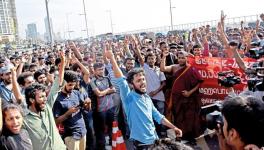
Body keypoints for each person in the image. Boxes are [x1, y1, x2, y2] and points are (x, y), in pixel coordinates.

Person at [104, 47, 182, 149]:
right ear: (132, 84)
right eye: (138, 81)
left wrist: (174, 127)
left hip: (154, 139)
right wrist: (112, 58)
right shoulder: (129, 98)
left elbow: (158, 116)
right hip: (142, 144)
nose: (143, 83)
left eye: (143, 79)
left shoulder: (146, 97)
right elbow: (121, 80)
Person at [23, 52, 66, 150]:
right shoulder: (24, 120)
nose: (45, 99)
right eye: (41, 97)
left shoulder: (47, 106)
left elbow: (58, 82)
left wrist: (63, 61)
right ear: (31, 100)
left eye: (44, 96)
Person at [160, 50, 203, 143]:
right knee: (178, 118)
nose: (181, 60)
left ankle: (190, 137)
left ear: (187, 58)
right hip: (177, 98)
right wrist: (163, 57)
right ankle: (179, 135)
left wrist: (189, 92)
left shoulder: (191, 69)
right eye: (179, 58)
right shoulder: (174, 67)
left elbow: (199, 82)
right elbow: (162, 69)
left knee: (190, 118)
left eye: (183, 58)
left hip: (189, 98)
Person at [53, 70, 91, 150]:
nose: (72, 87)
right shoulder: (57, 99)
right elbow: (55, 121)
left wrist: (88, 103)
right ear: (64, 83)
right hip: (71, 136)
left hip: (82, 131)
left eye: (73, 85)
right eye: (70, 85)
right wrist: (67, 114)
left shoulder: (76, 93)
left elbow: (87, 110)